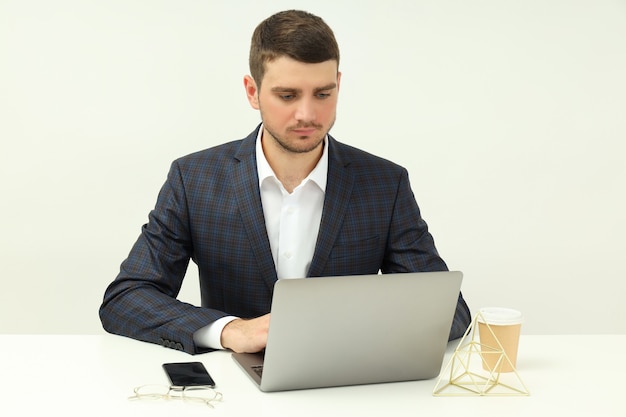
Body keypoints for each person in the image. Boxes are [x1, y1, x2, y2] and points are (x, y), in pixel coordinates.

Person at [99, 9, 471, 355]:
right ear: (252, 91)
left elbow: (450, 310)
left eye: (323, 94)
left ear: (338, 85)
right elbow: (127, 297)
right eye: (287, 95)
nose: (307, 114)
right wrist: (230, 330)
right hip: (233, 391)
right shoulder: (193, 179)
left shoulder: (385, 184)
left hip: (348, 386)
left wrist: (360, 332)